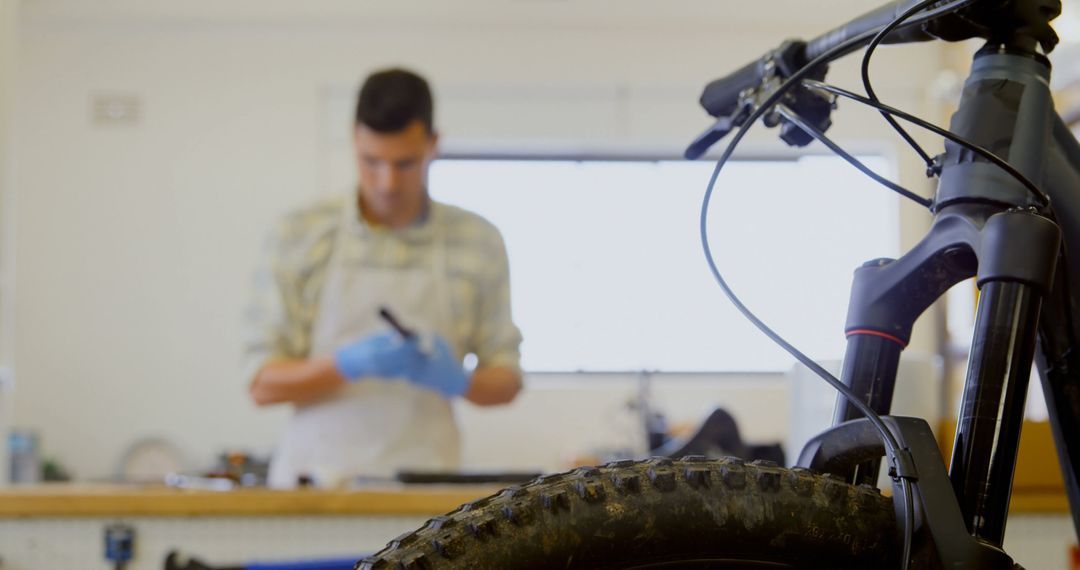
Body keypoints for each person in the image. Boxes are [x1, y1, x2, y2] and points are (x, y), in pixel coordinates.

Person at [245, 68, 524, 488]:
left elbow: (507, 381)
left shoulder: (478, 240)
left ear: (434, 144)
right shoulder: (299, 234)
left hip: (426, 495)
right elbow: (262, 385)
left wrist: (460, 381)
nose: (387, 182)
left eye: (405, 163)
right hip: (315, 491)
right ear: (353, 138)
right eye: (371, 161)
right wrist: (346, 364)